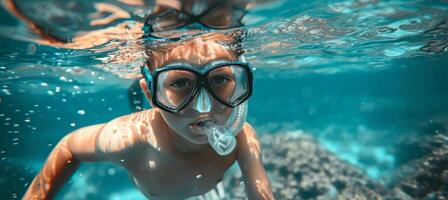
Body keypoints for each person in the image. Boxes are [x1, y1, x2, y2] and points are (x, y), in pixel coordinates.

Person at [23, 31, 274, 199]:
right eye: (180, 84)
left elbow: (261, 191)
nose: (204, 107)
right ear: (152, 94)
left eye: (220, 79)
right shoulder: (129, 139)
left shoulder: (241, 137)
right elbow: (69, 146)